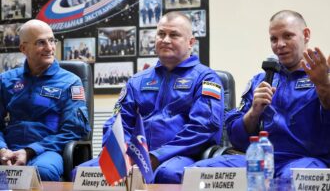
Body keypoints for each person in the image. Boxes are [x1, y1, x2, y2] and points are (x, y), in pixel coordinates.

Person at [76, 11, 224, 184]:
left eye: (174, 35)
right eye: (161, 34)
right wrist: (120, 152)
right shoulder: (138, 81)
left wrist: (156, 156)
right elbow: (118, 122)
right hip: (134, 156)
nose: (165, 39)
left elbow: (204, 127)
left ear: (191, 42)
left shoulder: (206, 79)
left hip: (181, 156)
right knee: (84, 172)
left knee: (166, 174)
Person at [182, 10, 330, 180]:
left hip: (305, 161)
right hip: (259, 160)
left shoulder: (324, 76)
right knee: (197, 174)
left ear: (306, 35)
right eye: (273, 39)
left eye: (288, 36)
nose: (279, 44)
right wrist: (253, 112)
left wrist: (324, 85)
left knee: (290, 180)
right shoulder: (261, 80)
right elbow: (236, 138)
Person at [0, 19, 91, 181]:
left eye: (51, 40)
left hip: (46, 150)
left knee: (42, 173)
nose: (49, 48)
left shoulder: (70, 82)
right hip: (9, 148)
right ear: (23, 48)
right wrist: (2, 150)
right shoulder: (6, 81)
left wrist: (29, 151)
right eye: (41, 42)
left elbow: (74, 131)